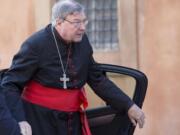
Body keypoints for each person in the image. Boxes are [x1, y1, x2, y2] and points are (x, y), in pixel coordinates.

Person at [0, 0, 145, 135]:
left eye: (84, 21)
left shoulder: (83, 42)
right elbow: (10, 84)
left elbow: (97, 79)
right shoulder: (36, 45)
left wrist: (128, 105)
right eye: (76, 22)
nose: (82, 27)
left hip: (72, 121)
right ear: (58, 22)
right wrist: (19, 119)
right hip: (41, 121)